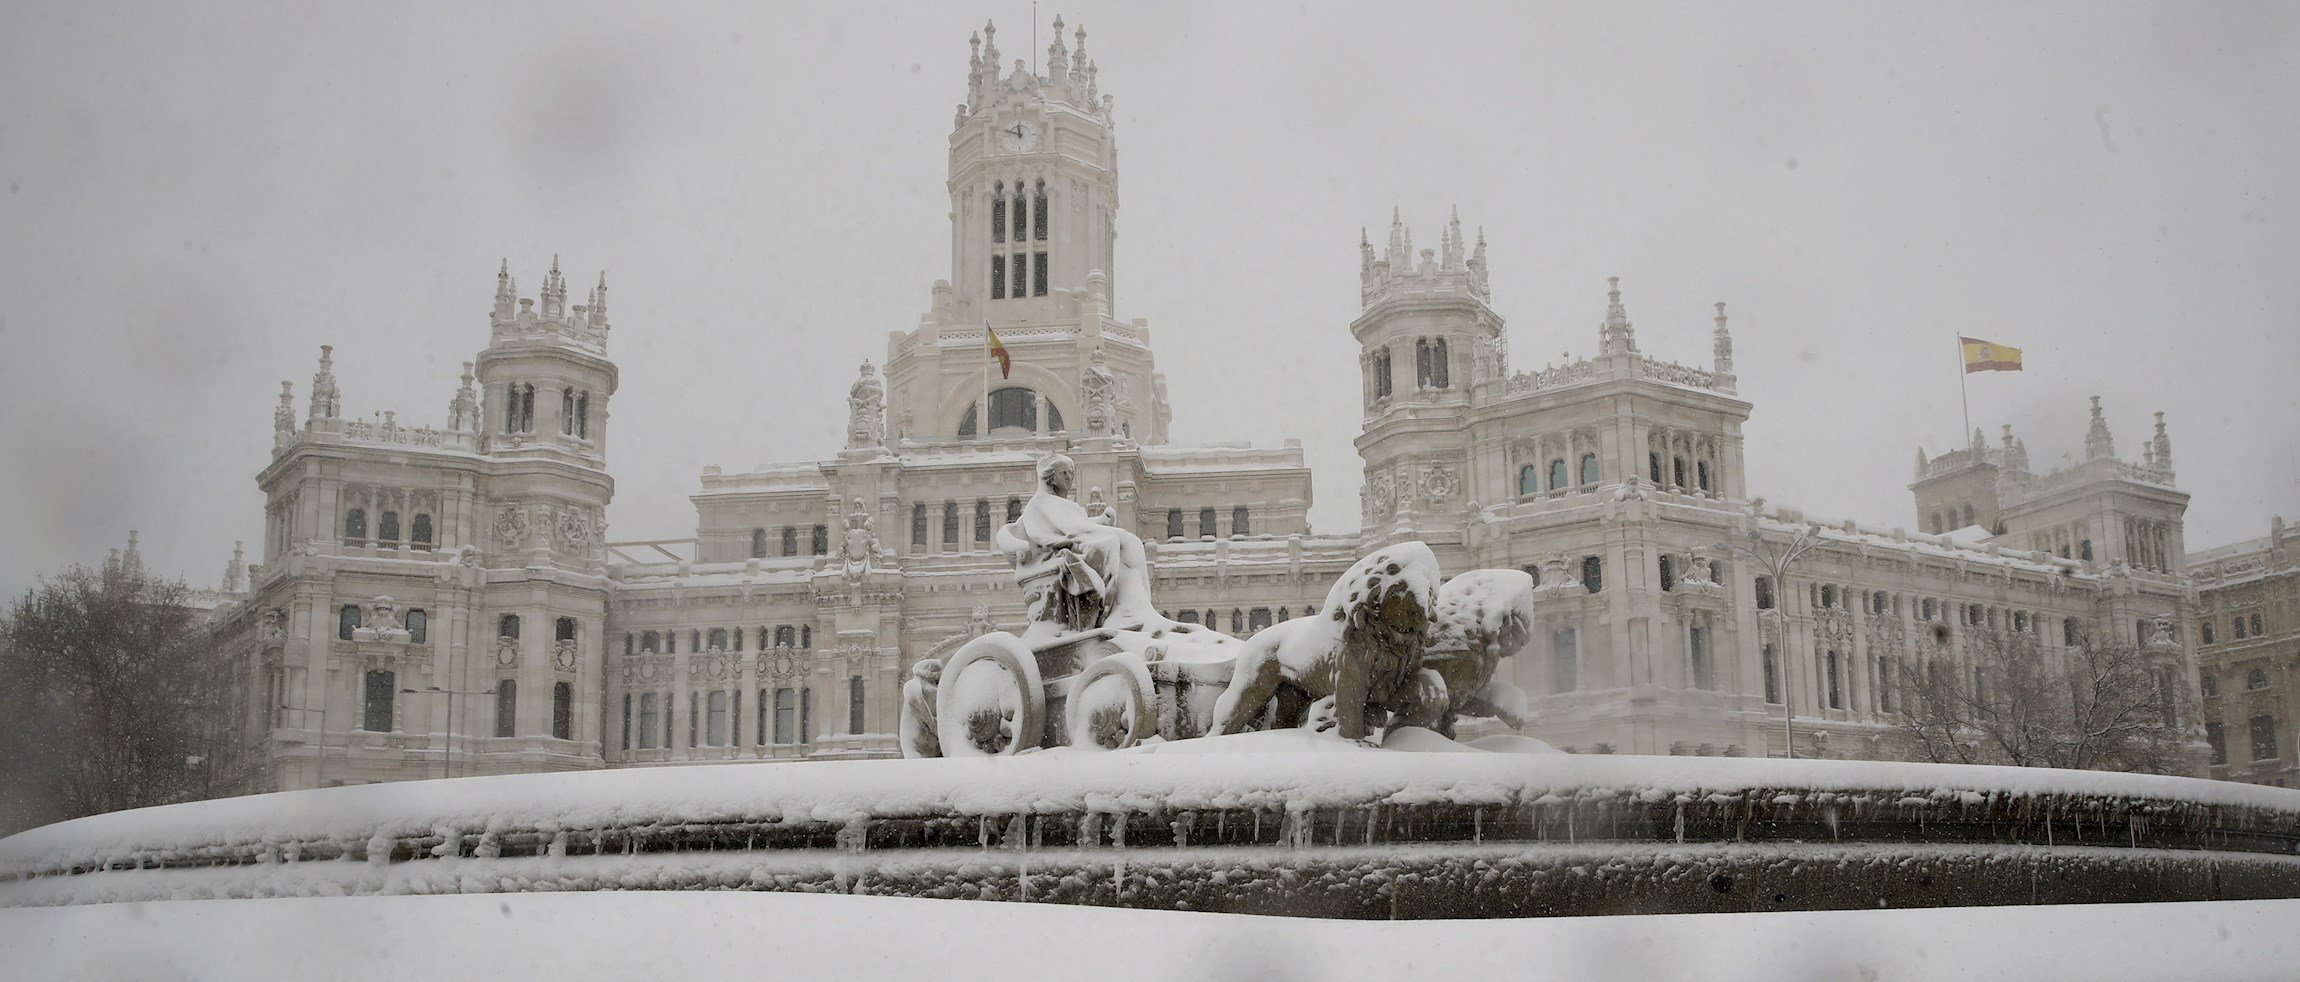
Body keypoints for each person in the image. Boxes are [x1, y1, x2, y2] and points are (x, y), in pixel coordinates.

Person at [997, 453, 1158, 637]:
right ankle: (1119, 610)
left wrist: (1100, 522)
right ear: (1051, 477)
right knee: (1117, 542)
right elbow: (1066, 530)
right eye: (1063, 473)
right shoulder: (1040, 502)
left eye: (1070, 473)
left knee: (1129, 543)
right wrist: (1096, 530)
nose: (1069, 477)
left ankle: (1136, 607)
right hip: (1060, 551)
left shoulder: (1062, 503)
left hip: (1077, 543)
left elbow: (1076, 525)